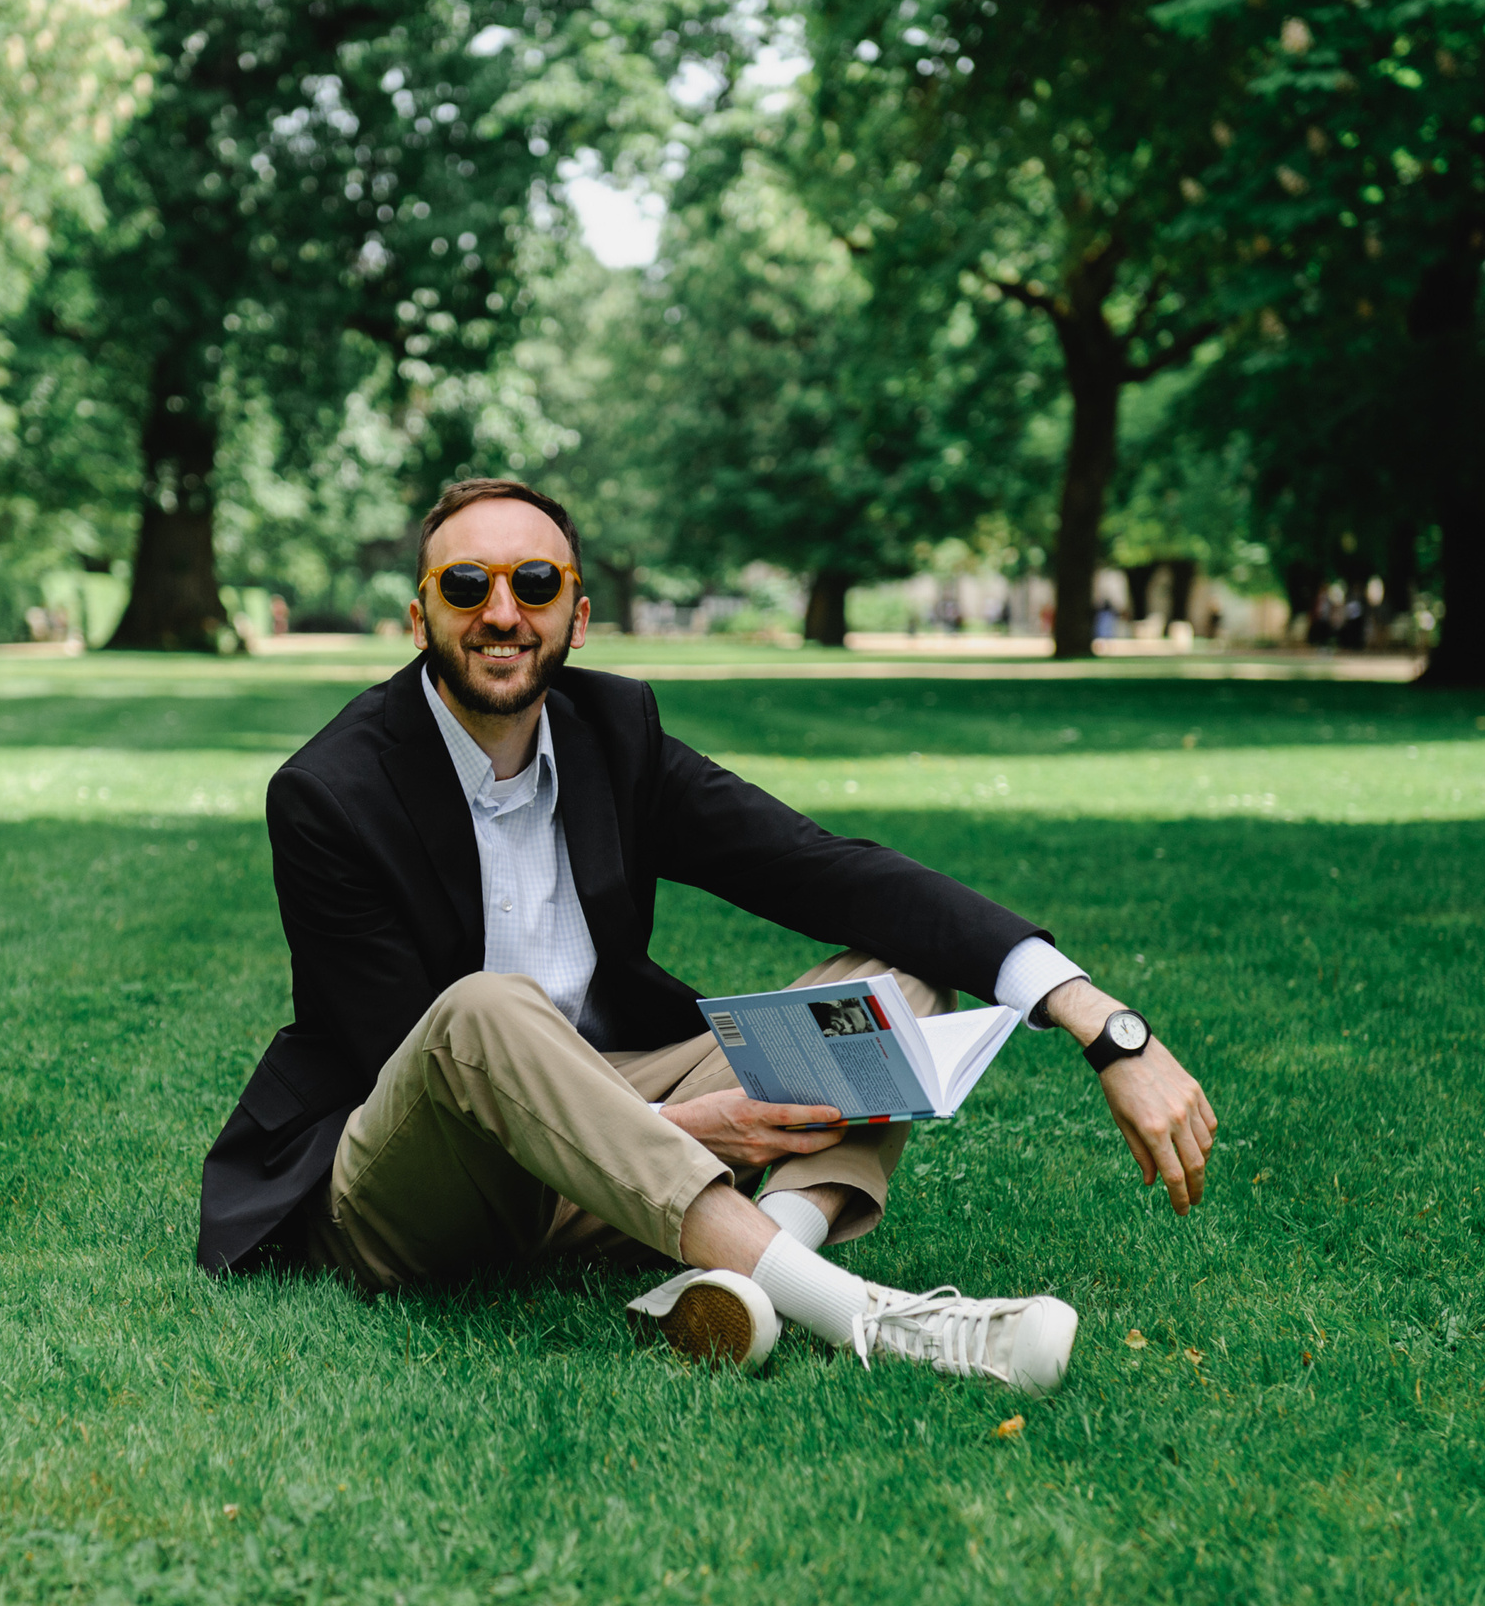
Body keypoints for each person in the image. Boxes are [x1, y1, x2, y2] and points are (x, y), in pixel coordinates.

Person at [196, 480, 1218, 1390]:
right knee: (484, 1007)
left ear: (578, 615)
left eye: (534, 583)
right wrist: (698, 1133)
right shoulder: (331, 792)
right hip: (409, 1176)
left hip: (601, 1117)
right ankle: (867, 1317)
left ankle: (746, 1281)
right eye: (465, 586)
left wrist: (1098, 1022)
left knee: (889, 983)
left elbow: (831, 874)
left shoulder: (614, 738)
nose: (500, 612)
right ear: (419, 618)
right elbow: (414, 1071)